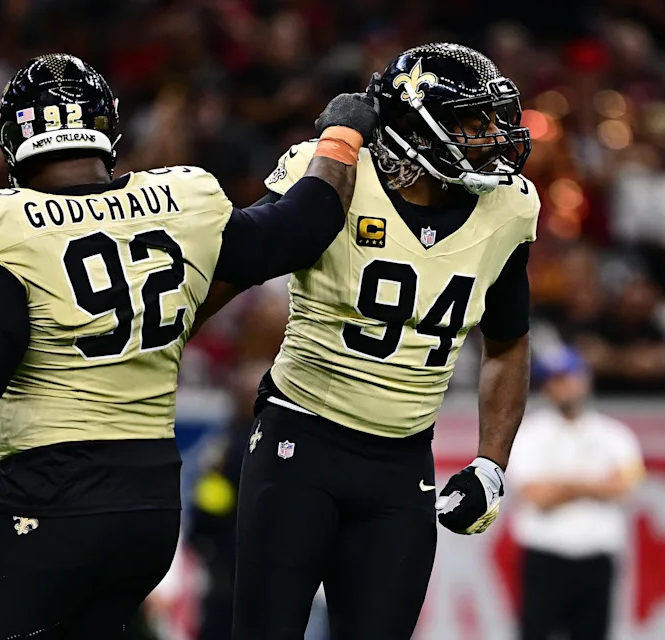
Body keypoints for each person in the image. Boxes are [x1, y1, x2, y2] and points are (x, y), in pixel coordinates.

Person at [0, 53, 379, 639]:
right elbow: (302, 225)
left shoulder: (2, 225)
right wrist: (340, 135)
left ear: (13, 142)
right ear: (107, 127)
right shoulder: (181, 202)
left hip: (54, 495)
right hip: (150, 505)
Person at [195, 43, 540, 639]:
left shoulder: (508, 209)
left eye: (491, 120)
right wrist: (156, 354)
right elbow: (234, 268)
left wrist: (491, 464)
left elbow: (508, 343)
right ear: (414, 122)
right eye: (471, 120)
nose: (491, 136)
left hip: (402, 464)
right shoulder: (334, 171)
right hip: (299, 441)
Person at [506, 346, 644, 640]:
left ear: (585, 379)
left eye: (568, 377)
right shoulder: (531, 434)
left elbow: (626, 485)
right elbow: (537, 495)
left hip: (597, 558)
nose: (564, 387)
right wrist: (595, 485)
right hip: (546, 557)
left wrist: (562, 485)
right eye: (555, 380)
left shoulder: (615, 434)